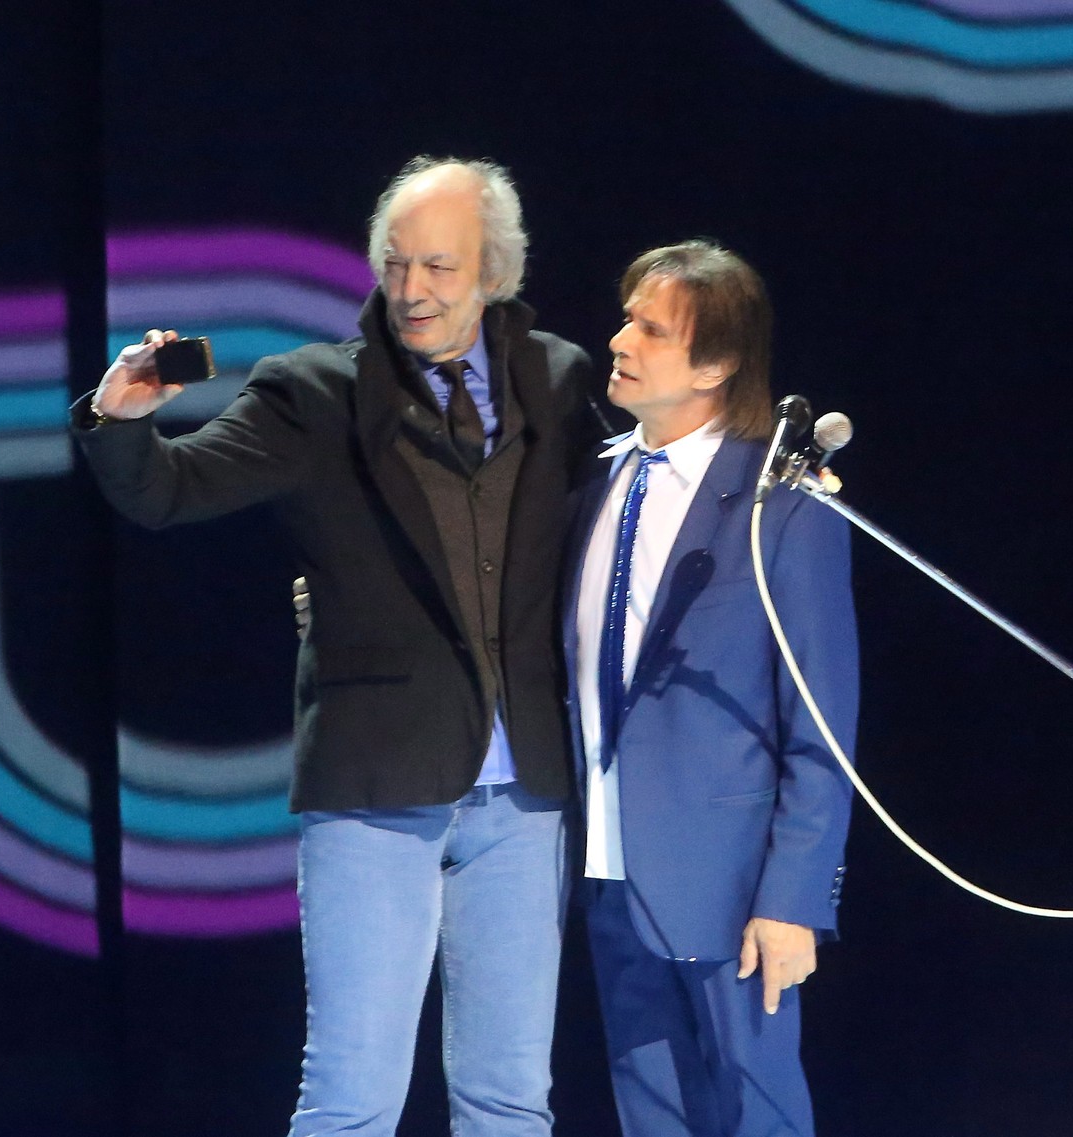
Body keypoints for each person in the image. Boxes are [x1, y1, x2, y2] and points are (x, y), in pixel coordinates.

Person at [72, 156, 603, 1137]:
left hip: (523, 792)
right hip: (375, 786)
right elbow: (166, 492)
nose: (411, 291)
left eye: (438, 268)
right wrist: (120, 424)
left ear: (494, 272)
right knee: (352, 1100)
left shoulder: (561, 382)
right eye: (395, 265)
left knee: (510, 1100)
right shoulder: (312, 394)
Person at [564, 240, 858, 1137]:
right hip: (610, 867)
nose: (619, 339)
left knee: (756, 1114)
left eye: (651, 329)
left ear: (718, 362)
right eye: (627, 317)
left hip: (733, 886)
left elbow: (821, 720)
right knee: (652, 1113)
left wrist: (794, 899)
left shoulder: (784, 503)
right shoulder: (597, 479)